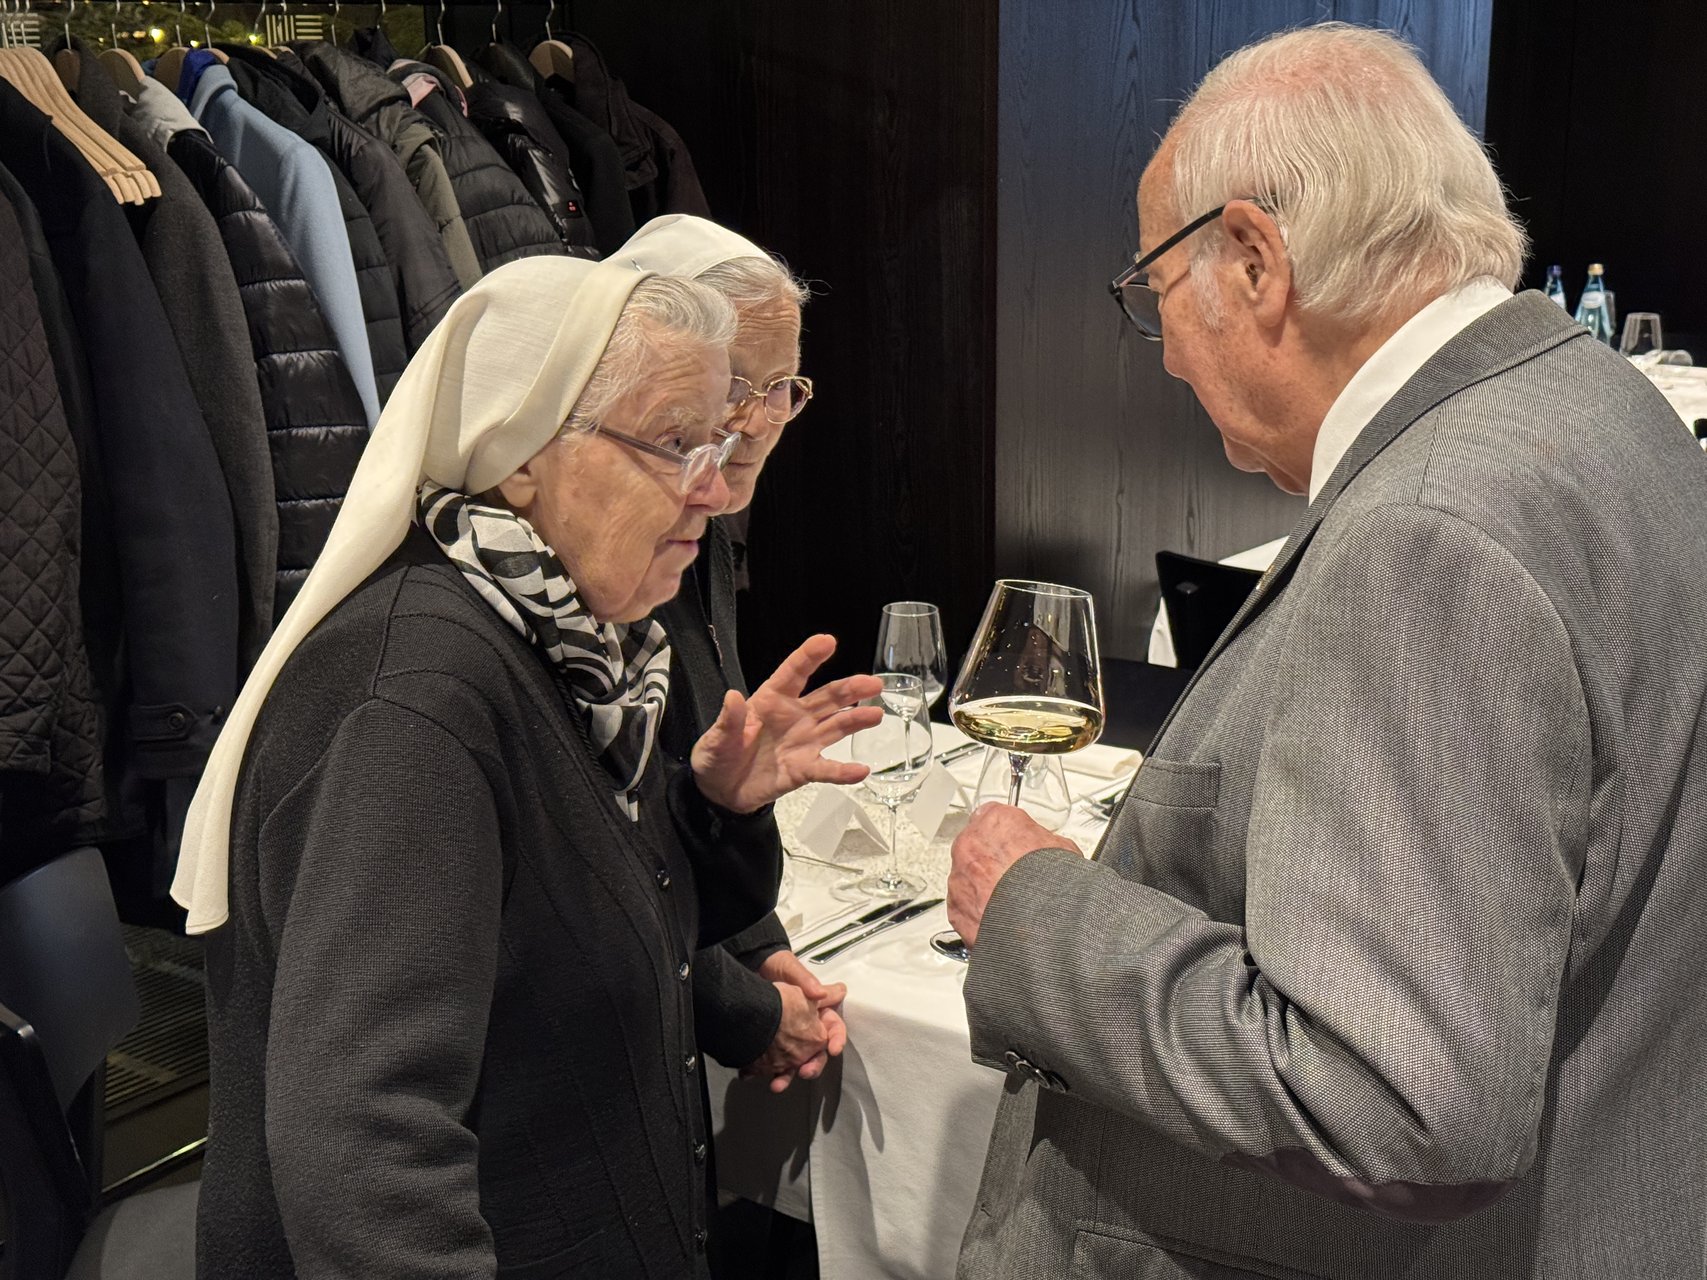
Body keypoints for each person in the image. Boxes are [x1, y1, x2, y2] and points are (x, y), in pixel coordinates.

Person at [947, 22, 1707, 1280]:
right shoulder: (1606, 406)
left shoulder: (1430, 535)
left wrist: (1036, 913)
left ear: (1253, 258)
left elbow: (1390, 1093)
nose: (1164, 351)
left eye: (1153, 290)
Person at [171, 254, 882, 1278]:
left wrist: (712, 809)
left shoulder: (579, 647)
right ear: (519, 453)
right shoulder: (415, 705)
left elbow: (599, 934)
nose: (713, 487)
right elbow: (365, 1145)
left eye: (719, 442)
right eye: (673, 443)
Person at [620, 214, 840, 1099]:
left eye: (780, 387)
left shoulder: (702, 514)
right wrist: (741, 1010)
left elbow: (703, 760)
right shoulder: (594, 551)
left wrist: (757, 947)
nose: (754, 422)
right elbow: (610, 850)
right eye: (731, 386)